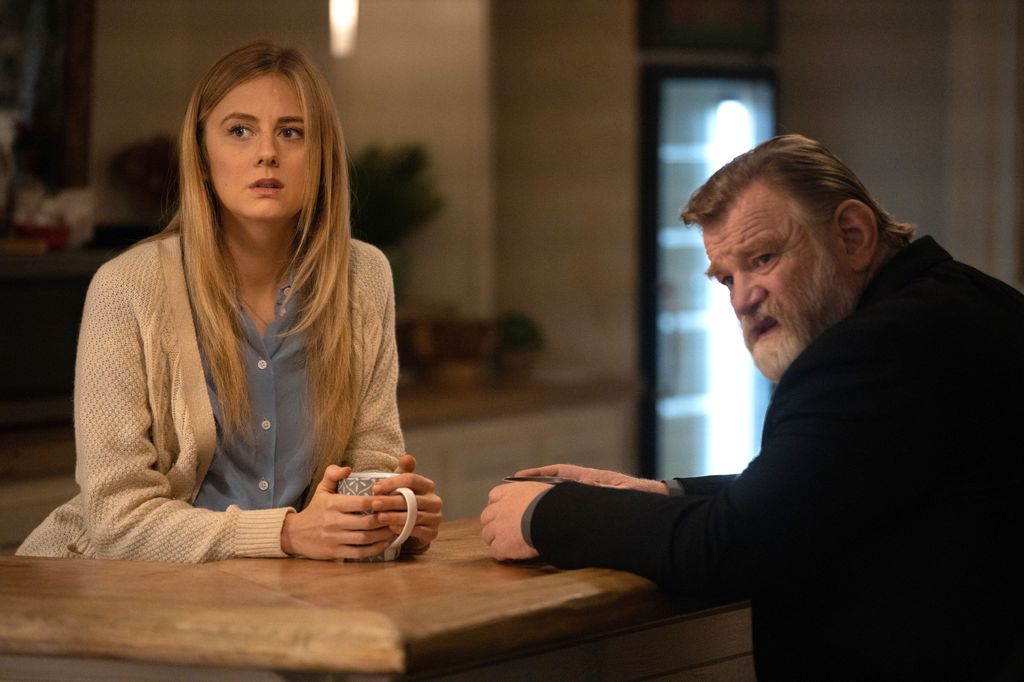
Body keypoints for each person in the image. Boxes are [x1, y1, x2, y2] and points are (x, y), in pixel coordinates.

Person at [481, 134, 1024, 680]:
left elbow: (732, 547)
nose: (742, 299)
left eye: (762, 259)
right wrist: (665, 493)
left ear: (852, 235)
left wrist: (542, 513)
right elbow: (842, 484)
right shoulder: (974, 299)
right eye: (726, 278)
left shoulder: (867, 348)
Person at [18, 42, 442, 563]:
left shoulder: (363, 277)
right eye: (240, 131)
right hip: (128, 592)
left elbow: (372, 462)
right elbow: (116, 519)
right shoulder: (126, 286)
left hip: (299, 589)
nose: (267, 152)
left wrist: (391, 517)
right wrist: (284, 534)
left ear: (322, 153)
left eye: (291, 132)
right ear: (200, 152)